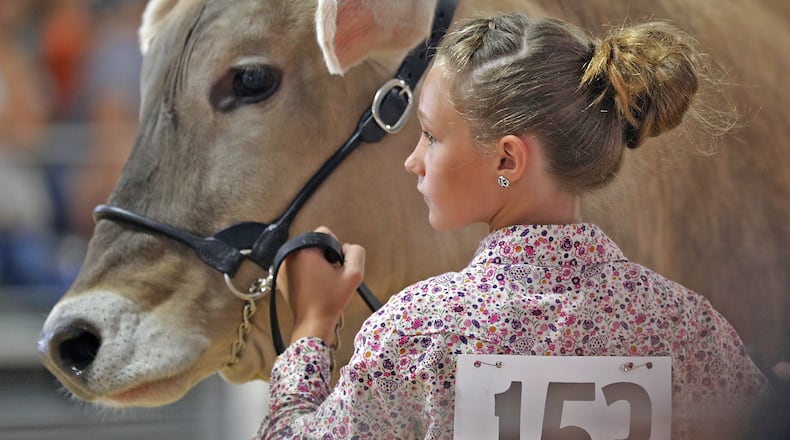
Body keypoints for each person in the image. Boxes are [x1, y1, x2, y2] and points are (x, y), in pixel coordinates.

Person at [256, 13, 772, 439]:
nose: (414, 160)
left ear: (508, 161)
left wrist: (313, 324)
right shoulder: (687, 329)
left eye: (431, 136)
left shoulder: (416, 334)